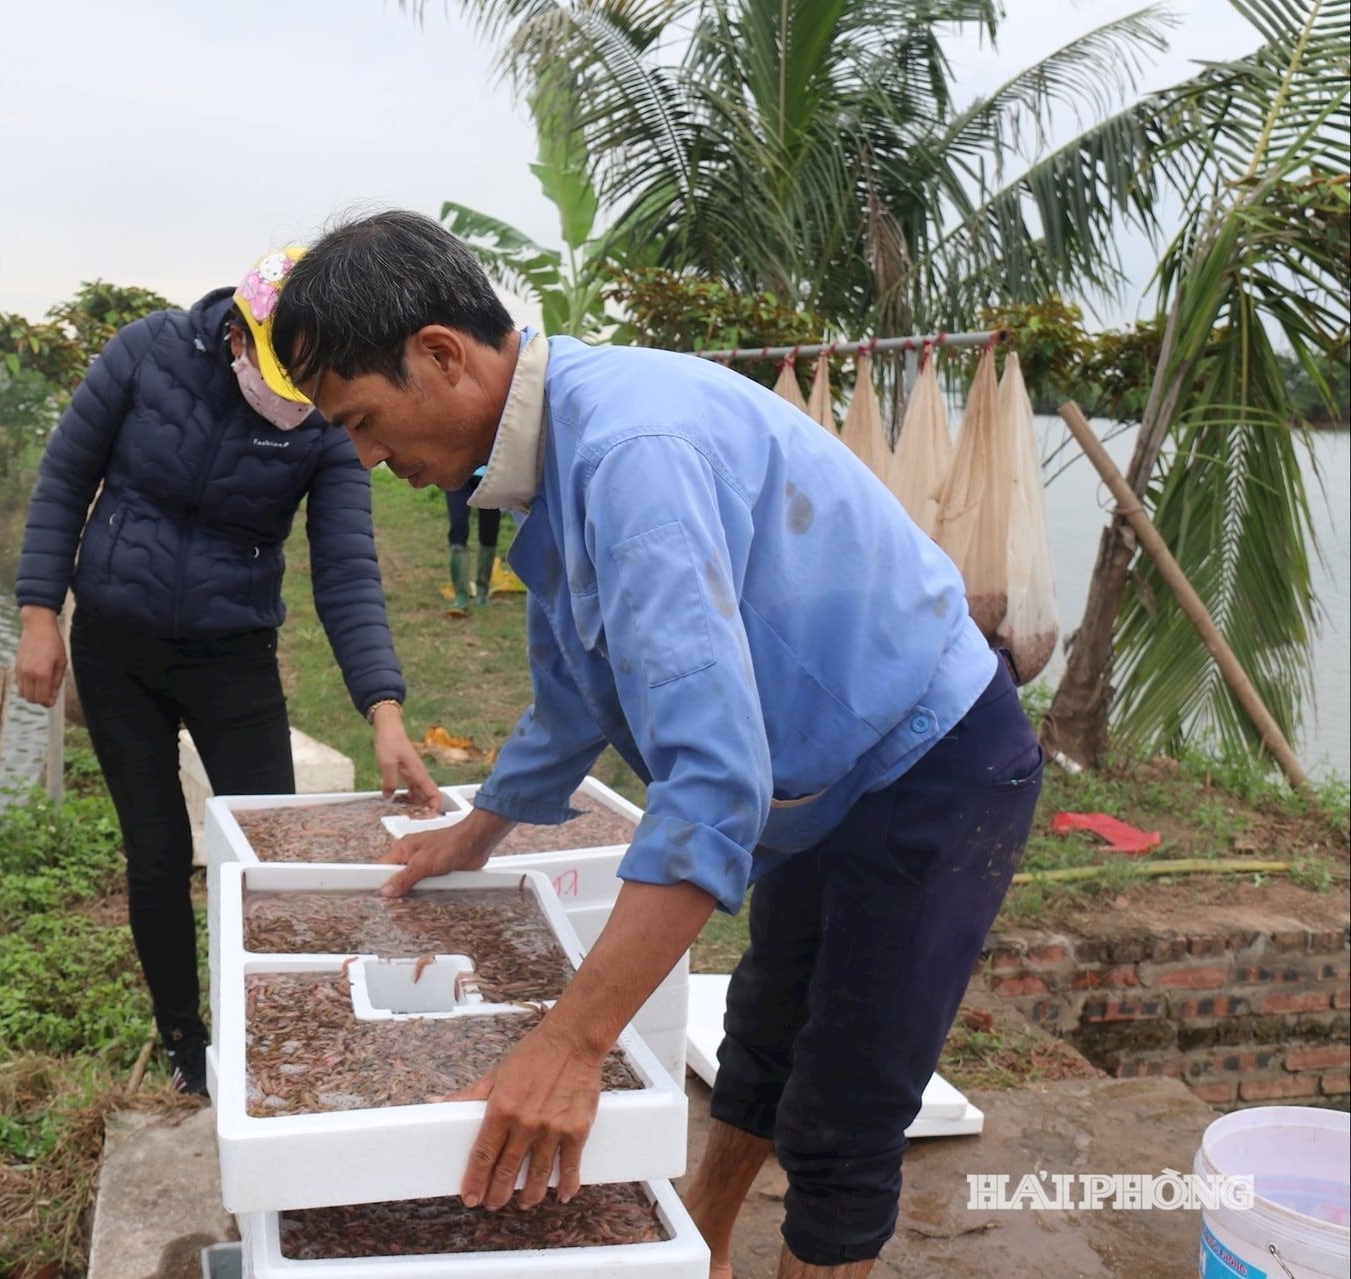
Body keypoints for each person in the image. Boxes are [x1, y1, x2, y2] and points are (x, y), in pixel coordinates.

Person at [270, 211, 1044, 1278]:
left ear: (442, 355)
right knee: (766, 1027)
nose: (364, 455)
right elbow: (570, 698)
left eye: (363, 420)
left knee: (847, 1103)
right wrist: (476, 835)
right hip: (828, 774)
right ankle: (708, 1249)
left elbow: (716, 786)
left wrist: (570, 1042)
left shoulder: (632, 455)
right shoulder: (550, 457)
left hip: (936, 758)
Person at [12, 246, 443, 1098]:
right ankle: (184, 1040)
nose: (296, 403)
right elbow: (66, 476)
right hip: (116, 646)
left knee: (264, 851)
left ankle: (274, 1024)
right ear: (239, 339)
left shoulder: (327, 420)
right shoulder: (146, 352)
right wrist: (37, 613)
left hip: (232, 655)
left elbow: (346, 568)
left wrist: (384, 707)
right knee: (158, 852)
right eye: (283, 380)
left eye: (309, 389)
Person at [443, 475, 501, 616]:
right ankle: (461, 596)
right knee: (457, 528)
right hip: (457, 472)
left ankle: (482, 592)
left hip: (491, 474)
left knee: (489, 533)